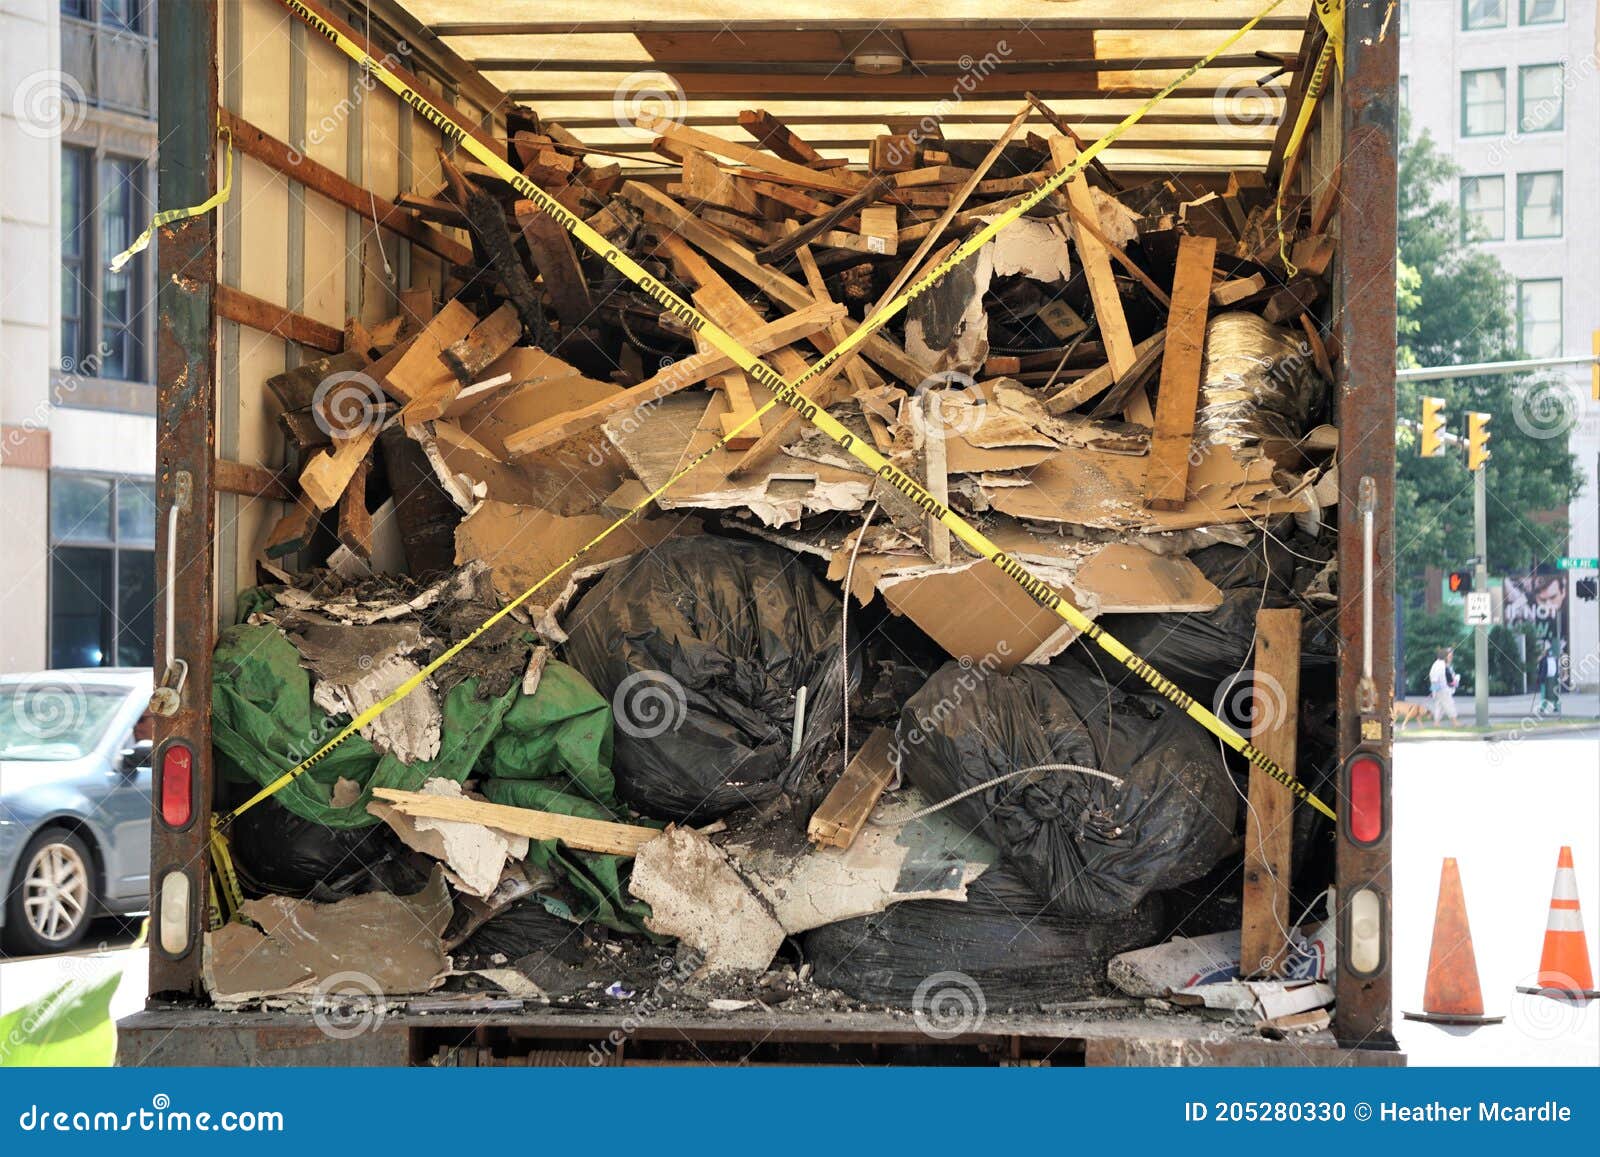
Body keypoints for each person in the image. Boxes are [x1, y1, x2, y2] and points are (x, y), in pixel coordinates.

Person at [1428, 646, 1460, 727]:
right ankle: (1455, 723)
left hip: (1440, 689)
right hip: (1442, 689)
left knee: (1440, 706)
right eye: (1450, 656)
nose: (1451, 657)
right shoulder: (1440, 665)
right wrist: (1436, 689)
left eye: (1452, 656)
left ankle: (1436, 723)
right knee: (1449, 704)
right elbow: (1435, 678)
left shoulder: (1441, 664)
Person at [1535, 641, 1561, 716]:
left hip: (1553, 678)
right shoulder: (1543, 658)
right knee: (1544, 693)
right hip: (1544, 677)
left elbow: (1558, 665)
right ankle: (1543, 707)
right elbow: (1538, 661)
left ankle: (1555, 706)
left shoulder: (1554, 657)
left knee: (1554, 693)